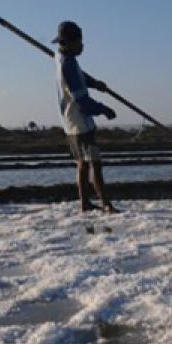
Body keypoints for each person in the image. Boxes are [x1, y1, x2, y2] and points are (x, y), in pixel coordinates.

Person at [53, 20, 118, 212]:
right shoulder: (68, 65)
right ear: (70, 42)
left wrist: (94, 83)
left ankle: (85, 204)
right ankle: (106, 204)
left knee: (82, 164)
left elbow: (80, 76)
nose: (82, 45)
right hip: (80, 122)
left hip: (69, 122)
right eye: (80, 41)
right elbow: (82, 102)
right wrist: (104, 109)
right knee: (95, 163)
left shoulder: (62, 58)